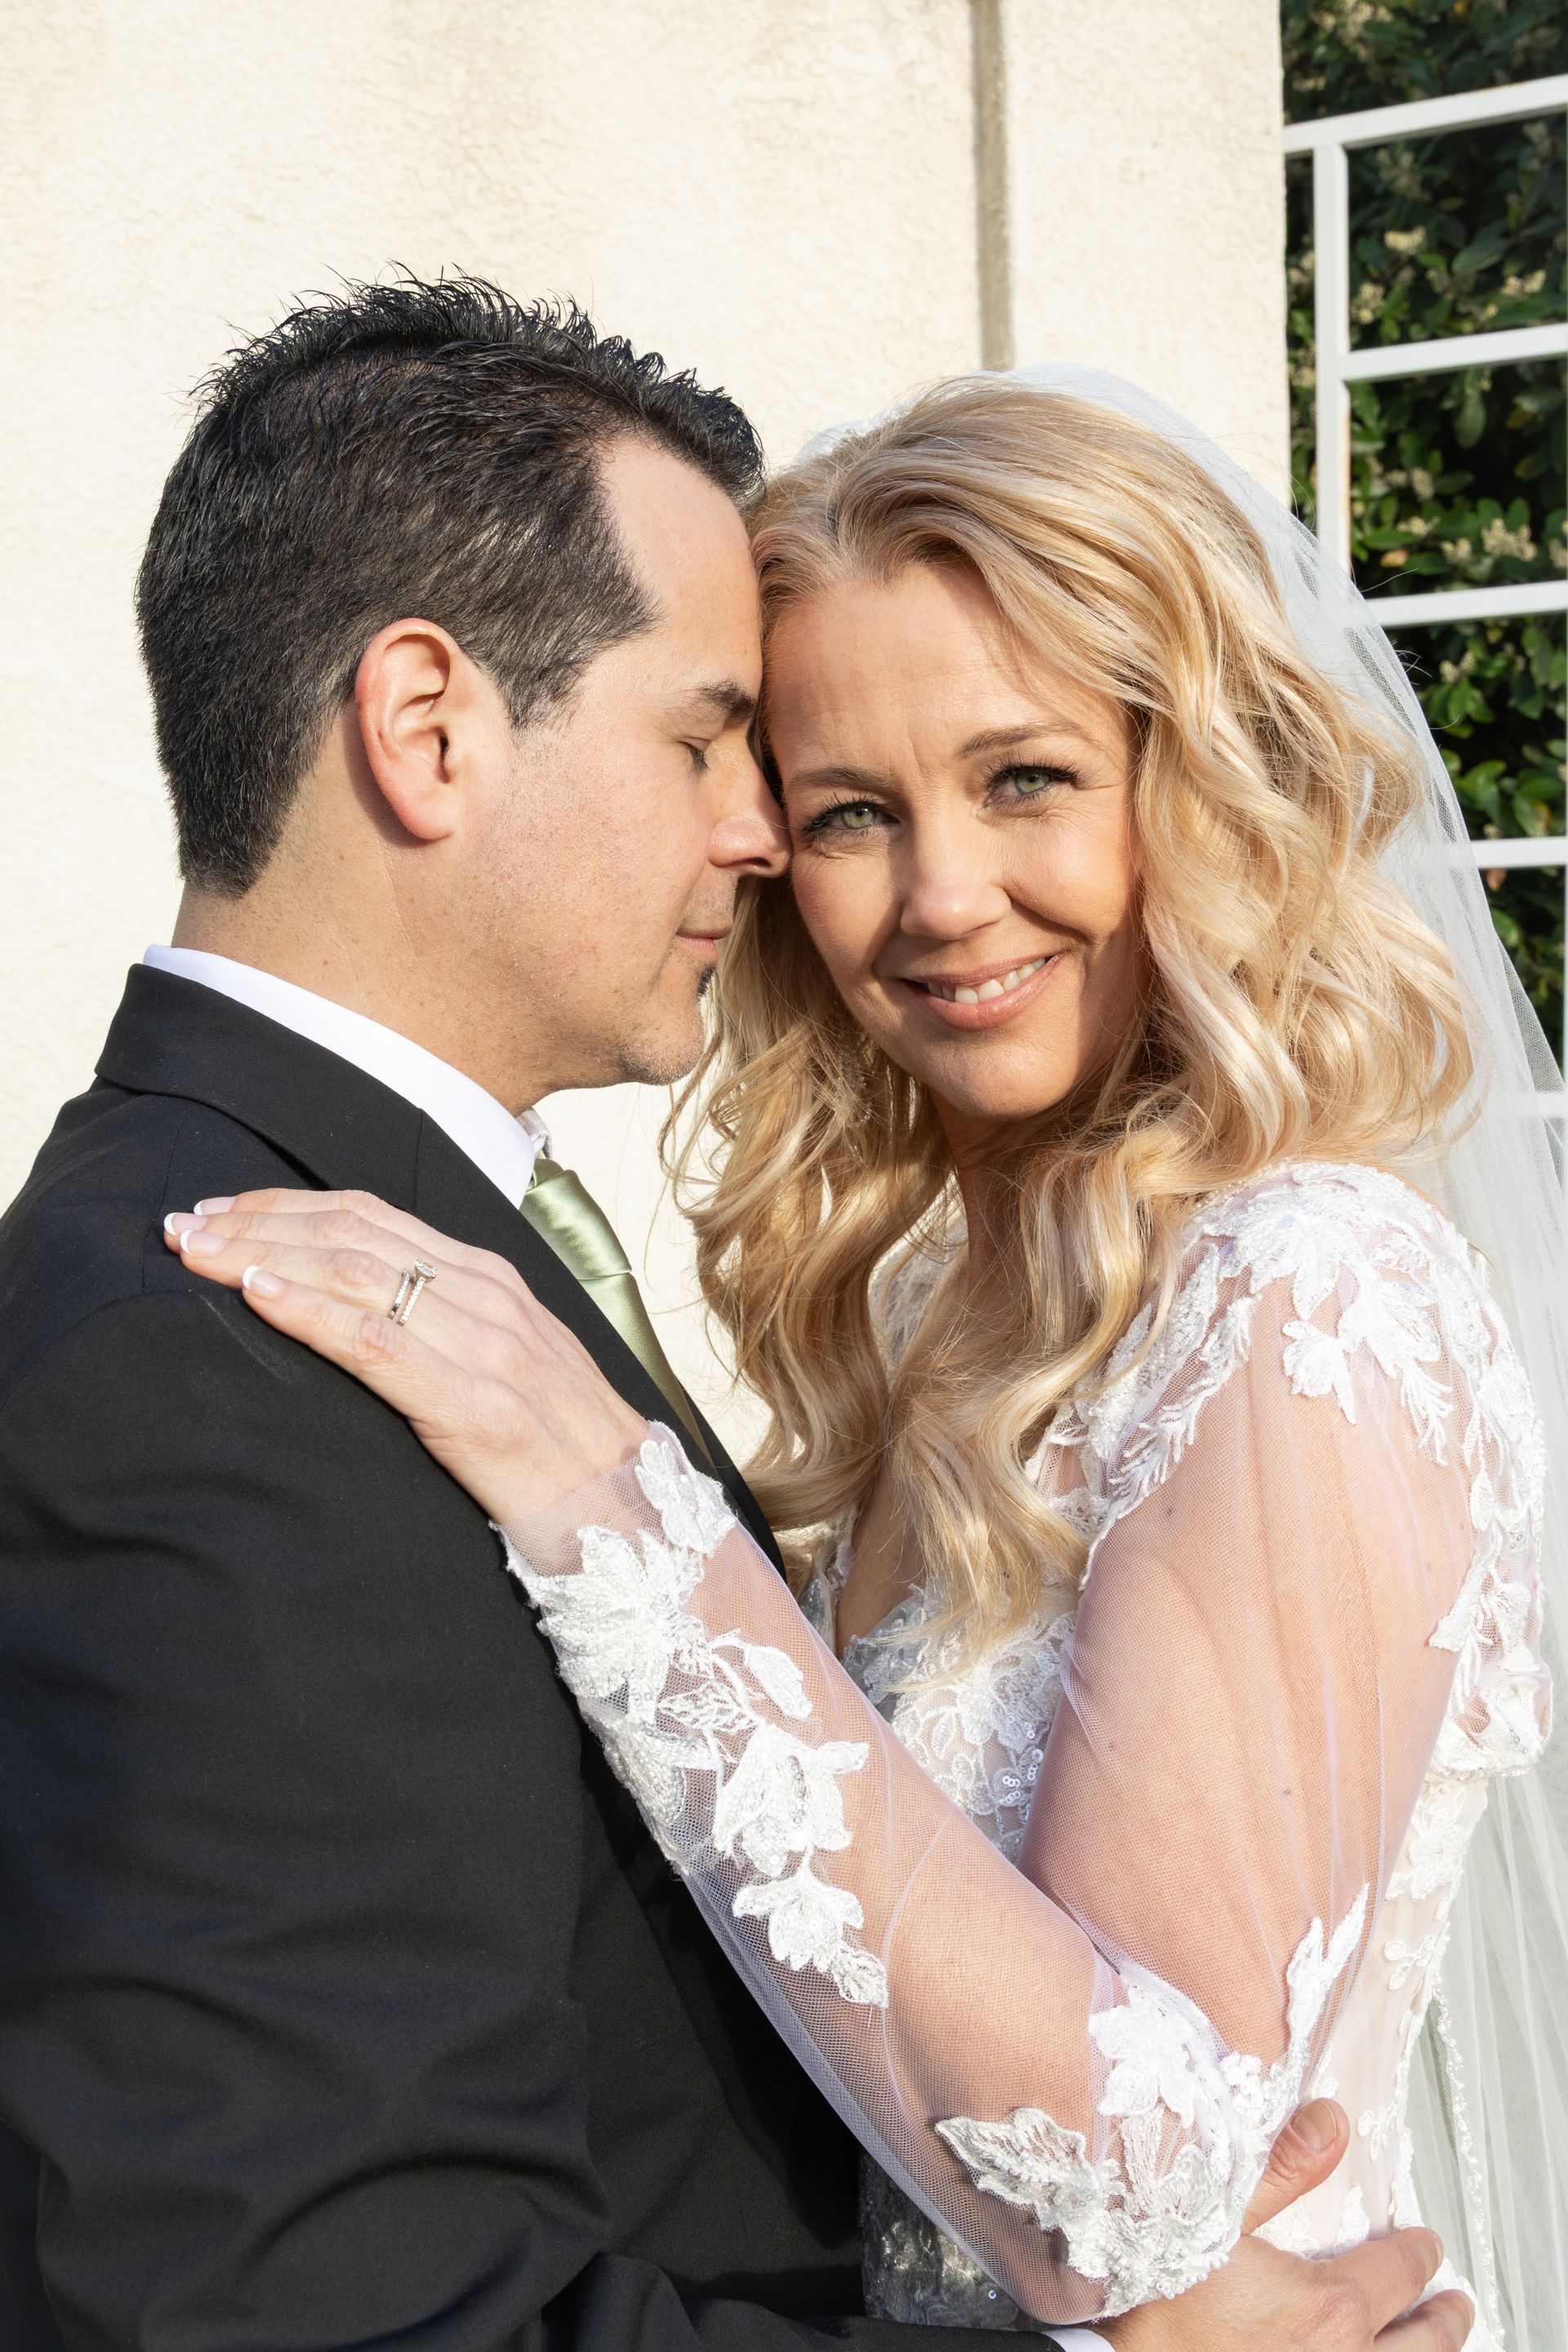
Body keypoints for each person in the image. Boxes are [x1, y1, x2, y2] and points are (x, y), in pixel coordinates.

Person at [0, 286, 1450, 2352]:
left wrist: (621, 1509)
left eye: (1027, 776)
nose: (780, 846)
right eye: (738, 752)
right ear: (426, 730)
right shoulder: (217, 1331)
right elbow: (293, 2298)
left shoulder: (1294, 1295)